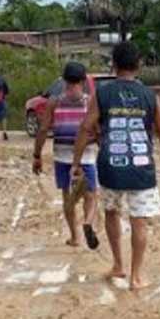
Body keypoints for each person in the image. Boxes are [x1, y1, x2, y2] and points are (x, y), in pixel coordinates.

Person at [72, 41, 160, 290]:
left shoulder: (103, 93)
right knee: (140, 221)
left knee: (112, 213)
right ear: (138, 65)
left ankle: (118, 265)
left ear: (114, 65)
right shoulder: (150, 96)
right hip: (142, 169)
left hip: (110, 167)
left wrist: (76, 162)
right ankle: (136, 276)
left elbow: (86, 127)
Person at [33, 61, 101, 250]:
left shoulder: (54, 101)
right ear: (83, 80)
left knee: (68, 197)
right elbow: (98, 131)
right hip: (86, 157)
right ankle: (88, 221)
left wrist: (37, 155)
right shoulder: (90, 102)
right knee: (91, 195)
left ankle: (74, 237)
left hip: (62, 157)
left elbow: (43, 129)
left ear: (64, 80)